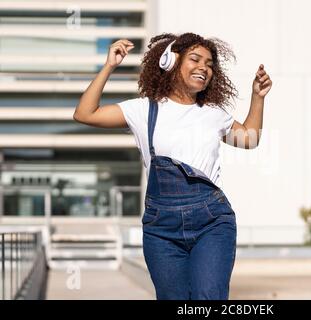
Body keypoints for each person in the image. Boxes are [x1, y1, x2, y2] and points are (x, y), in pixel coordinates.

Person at [73, 32, 272, 300]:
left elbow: (249, 139)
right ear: (170, 61)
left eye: (210, 64)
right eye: (195, 59)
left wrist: (257, 96)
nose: (204, 67)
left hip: (212, 221)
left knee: (208, 298)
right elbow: (85, 114)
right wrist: (109, 66)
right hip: (161, 228)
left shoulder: (213, 114)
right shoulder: (143, 110)